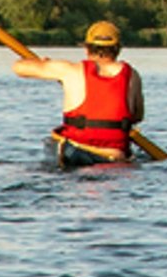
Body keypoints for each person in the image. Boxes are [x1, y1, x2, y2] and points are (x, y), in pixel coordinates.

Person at [15, 20, 146, 168]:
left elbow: (19, 68)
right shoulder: (132, 76)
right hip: (114, 155)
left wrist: (41, 63)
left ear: (87, 48)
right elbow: (137, 116)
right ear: (118, 49)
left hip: (75, 148)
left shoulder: (70, 70)